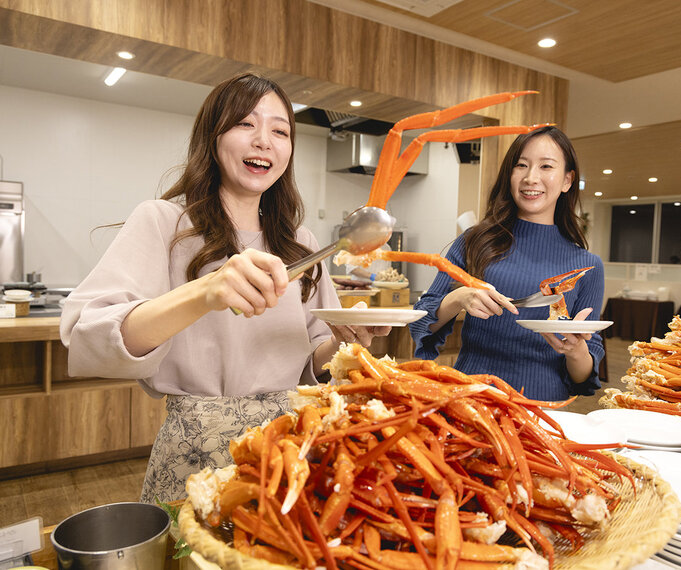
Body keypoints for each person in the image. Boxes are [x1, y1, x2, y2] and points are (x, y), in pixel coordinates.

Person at [60, 73, 390, 503]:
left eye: (280, 130)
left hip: (288, 447)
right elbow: (89, 336)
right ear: (212, 137)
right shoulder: (163, 223)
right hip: (195, 457)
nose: (264, 141)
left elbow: (315, 354)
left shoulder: (302, 243)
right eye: (245, 124)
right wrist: (205, 292)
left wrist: (349, 340)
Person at [409, 126, 604, 401]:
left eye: (546, 166)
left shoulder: (587, 266)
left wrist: (577, 351)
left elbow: (584, 377)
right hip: (471, 402)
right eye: (521, 165)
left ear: (567, 180)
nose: (530, 178)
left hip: (543, 410)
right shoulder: (474, 242)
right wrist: (459, 298)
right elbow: (420, 323)